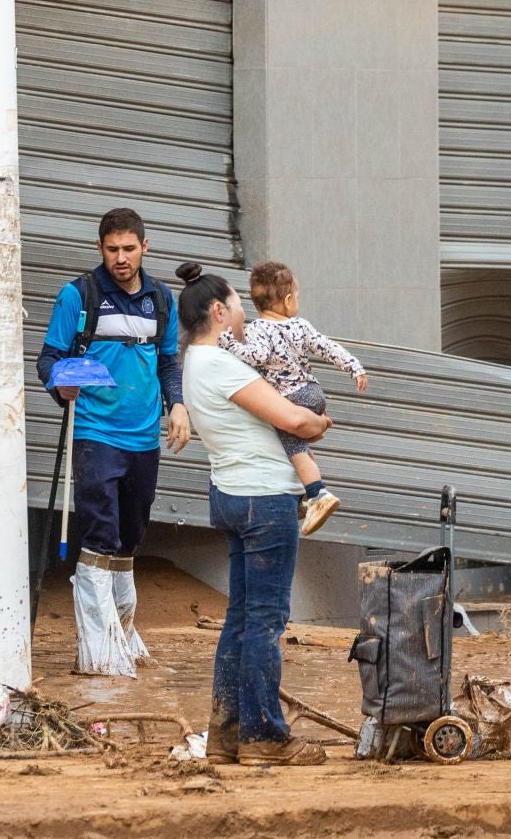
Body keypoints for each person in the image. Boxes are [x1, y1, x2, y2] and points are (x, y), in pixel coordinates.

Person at [175, 261, 330, 767]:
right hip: (263, 499)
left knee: (240, 619)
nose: (246, 310)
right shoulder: (222, 365)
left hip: (230, 494)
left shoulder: (195, 364)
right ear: (219, 312)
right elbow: (291, 420)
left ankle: (226, 733)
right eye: (238, 303)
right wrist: (318, 420)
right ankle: (264, 736)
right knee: (265, 620)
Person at [35, 207, 190, 677]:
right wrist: (60, 384)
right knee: (100, 533)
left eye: (128, 248)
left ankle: (124, 634)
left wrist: (177, 405)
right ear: (100, 248)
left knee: (131, 537)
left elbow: (167, 363)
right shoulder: (78, 295)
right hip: (94, 432)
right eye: (111, 249)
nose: (120, 258)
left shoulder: (163, 298)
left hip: (143, 436)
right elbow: (48, 358)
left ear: (145, 246)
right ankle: (98, 650)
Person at [218, 260, 367, 537]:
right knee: (294, 445)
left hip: (290, 399)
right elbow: (327, 347)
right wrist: (353, 366)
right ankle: (305, 495)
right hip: (312, 393)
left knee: (291, 445)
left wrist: (230, 345)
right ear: (287, 300)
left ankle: (317, 493)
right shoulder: (300, 326)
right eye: (297, 297)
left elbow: (257, 356)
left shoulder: (257, 329)